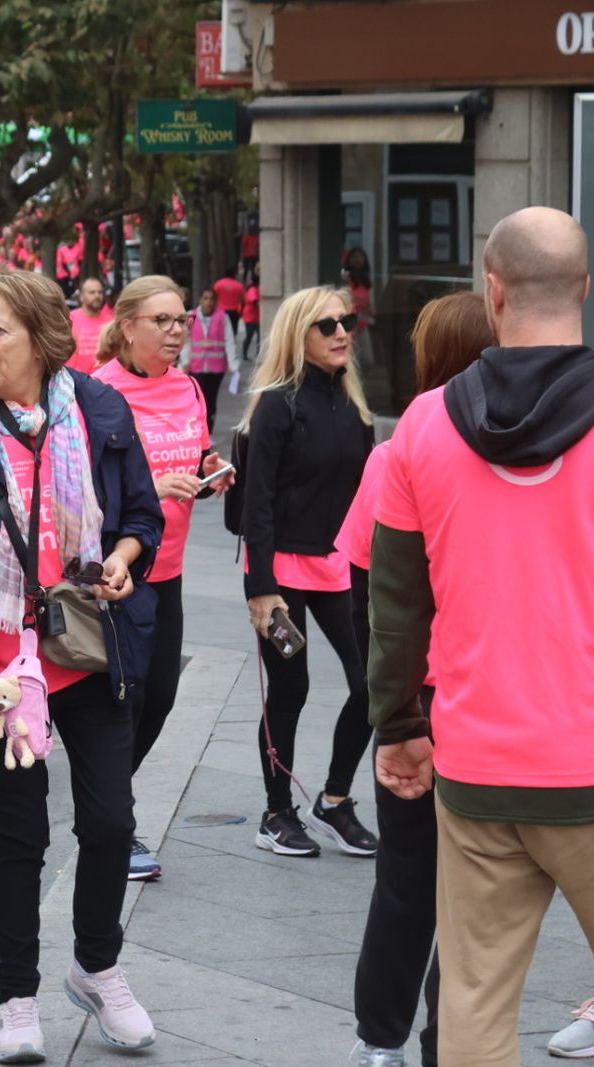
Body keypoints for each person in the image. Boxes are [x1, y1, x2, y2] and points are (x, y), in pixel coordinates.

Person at [0, 268, 164, 1057]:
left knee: (111, 822)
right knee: (21, 835)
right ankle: (17, 999)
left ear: (41, 339)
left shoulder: (101, 411)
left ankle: (96, 966)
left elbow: (141, 517)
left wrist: (122, 559)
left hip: (89, 651)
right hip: (5, 670)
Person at [370, 207, 594, 1067]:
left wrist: (399, 725)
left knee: (472, 1003)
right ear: (584, 289)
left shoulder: (421, 426)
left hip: (477, 768)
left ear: (492, 292)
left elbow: (396, 603)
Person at [339, 291, 493, 1067]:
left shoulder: (400, 450)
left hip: (415, 697)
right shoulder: (529, 452)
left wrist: (388, 708)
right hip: (488, 697)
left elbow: (368, 595)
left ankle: (380, 1040)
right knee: (479, 894)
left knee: (405, 878)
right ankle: (446, 1042)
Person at [93, 276, 235, 881]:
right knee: (127, 700)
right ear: (128, 327)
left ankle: (102, 806)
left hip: (169, 566)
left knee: (162, 697)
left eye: (183, 321)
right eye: (163, 321)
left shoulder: (188, 388)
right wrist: (149, 487)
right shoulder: (99, 392)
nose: (177, 332)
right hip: (120, 570)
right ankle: (115, 826)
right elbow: (83, 490)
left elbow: (193, 454)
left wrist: (210, 469)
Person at [237, 285, 377, 858]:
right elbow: (257, 504)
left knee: (372, 683)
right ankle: (276, 813)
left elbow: (367, 496)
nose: (342, 332)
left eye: (347, 321)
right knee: (291, 687)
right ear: (300, 335)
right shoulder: (277, 404)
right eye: (327, 325)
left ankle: (335, 800)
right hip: (282, 572)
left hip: (340, 566)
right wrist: (261, 590)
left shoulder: (354, 405)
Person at [184, 287, 237, 432]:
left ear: (216, 301)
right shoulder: (190, 316)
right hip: (196, 367)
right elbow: (185, 339)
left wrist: (233, 364)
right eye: (205, 298)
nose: (208, 302)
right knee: (197, 399)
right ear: (200, 300)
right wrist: (184, 361)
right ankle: (197, 429)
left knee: (210, 400)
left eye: (211, 299)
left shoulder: (223, 317)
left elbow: (229, 340)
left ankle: (208, 432)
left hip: (216, 368)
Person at [67, 277, 114, 374]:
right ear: (81, 297)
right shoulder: (70, 319)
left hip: (105, 378)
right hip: (78, 379)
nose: (97, 296)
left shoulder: (111, 322)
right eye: (92, 292)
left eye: (100, 292)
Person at [213, 267, 245, 336]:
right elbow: (242, 299)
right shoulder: (239, 285)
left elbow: (213, 296)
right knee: (233, 329)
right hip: (234, 311)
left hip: (221, 310)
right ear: (234, 275)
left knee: (221, 328)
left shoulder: (218, 284)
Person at [241, 272, 261, 363]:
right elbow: (254, 301)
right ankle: (245, 354)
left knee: (258, 336)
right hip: (251, 317)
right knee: (250, 336)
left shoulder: (253, 288)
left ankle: (258, 353)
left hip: (254, 316)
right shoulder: (253, 289)